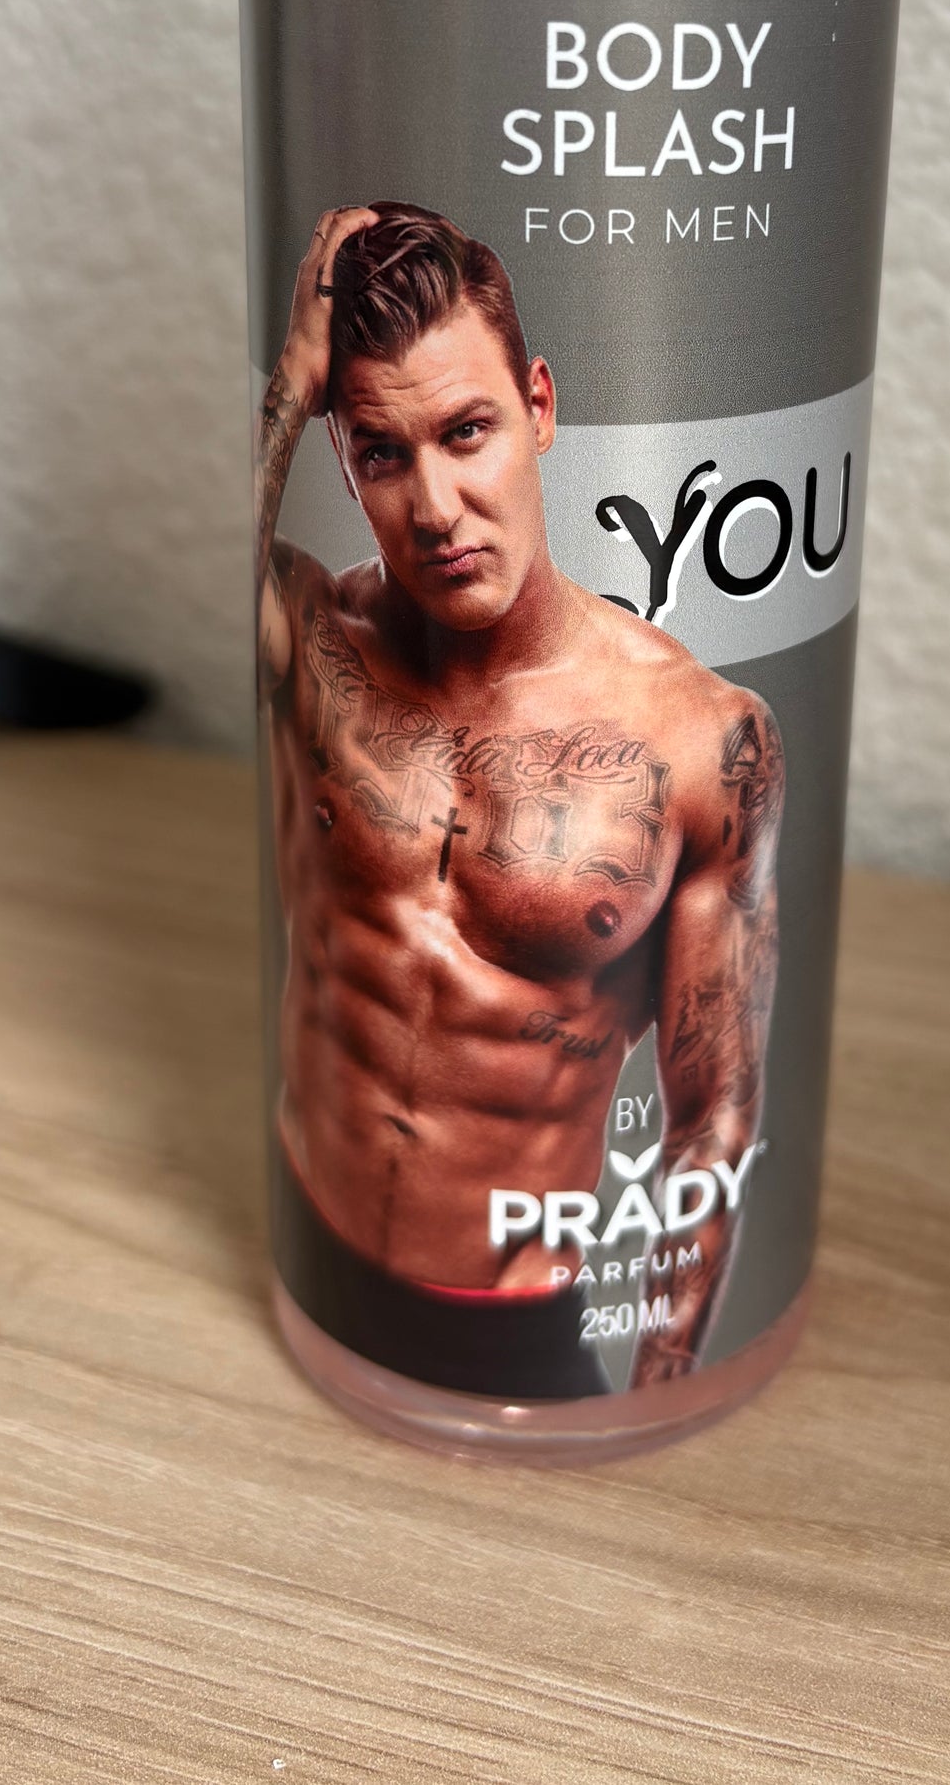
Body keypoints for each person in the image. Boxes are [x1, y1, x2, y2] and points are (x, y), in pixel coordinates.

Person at [254, 201, 782, 1396]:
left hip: (510, 1321)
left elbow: (712, 1120)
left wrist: (660, 1385)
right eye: (382, 455)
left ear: (538, 409)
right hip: (305, 1222)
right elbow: (212, 568)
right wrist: (290, 381)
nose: (436, 508)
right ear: (340, 459)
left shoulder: (696, 738)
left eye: (467, 432)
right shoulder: (314, 641)